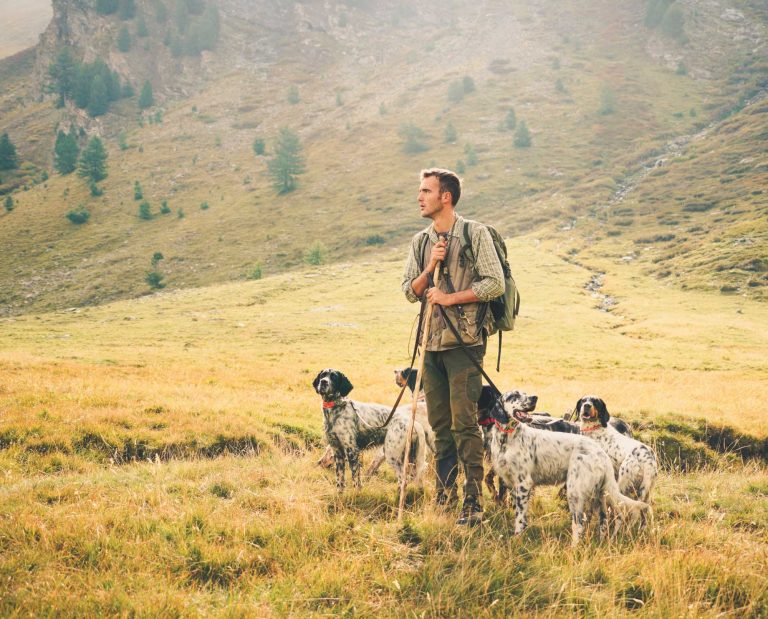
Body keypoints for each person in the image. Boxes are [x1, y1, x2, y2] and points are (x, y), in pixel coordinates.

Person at [402, 168, 504, 525]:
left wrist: (449, 299)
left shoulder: (474, 234)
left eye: (426, 191)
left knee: (465, 425)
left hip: (465, 344)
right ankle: (444, 497)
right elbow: (409, 292)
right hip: (430, 347)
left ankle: (473, 502)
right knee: (440, 426)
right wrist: (431, 265)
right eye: (420, 190)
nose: (419, 197)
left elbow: (494, 285)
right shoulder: (420, 242)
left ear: (446, 196)